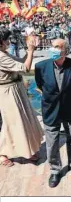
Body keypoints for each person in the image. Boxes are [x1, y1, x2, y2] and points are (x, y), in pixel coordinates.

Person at [35, 39, 71, 188]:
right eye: (53, 46)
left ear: (65, 50)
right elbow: (40, 85)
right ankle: (55, 170)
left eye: (58, 47)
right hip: (50, 109)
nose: (54, 49)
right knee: (52, 142)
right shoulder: (40, 66)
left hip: (70, 108)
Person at [0, 27, 43, 167]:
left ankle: (26, 150)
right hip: (7, 91)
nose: (8, 42)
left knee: (23, 119)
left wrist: (31, 50)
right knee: (11, 122)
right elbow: (25, 68)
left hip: (16, 89)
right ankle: (2, 153)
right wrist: (30, 51)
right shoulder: (0, 57)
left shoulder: (4, 53)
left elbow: (21, 62)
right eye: (5, 40)